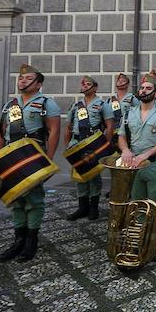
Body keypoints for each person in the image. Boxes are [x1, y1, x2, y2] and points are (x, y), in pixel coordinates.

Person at [0, 64, 61, 262]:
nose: (22, 80)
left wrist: (49, 157)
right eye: (21, 78)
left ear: (38, 83)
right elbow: (1, 132)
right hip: (10, 156)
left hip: (33, 156)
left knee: (33, 199)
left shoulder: (46, 103)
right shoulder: (9, 105)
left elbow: (54, 131)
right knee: (16, 198)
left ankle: (31, 241)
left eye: (28, 78)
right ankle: (18, 240)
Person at [118, 71, 156, 262]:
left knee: (155, 205)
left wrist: (146, 154)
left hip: (155, 165)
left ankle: (154, 242)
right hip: (134, 167)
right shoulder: (129, 113)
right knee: (137, 205)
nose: (144, 90)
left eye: (148, 88)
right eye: (142, 88)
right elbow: (122, 136)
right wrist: (125, 150)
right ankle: (139, 240)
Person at [64, 75, 114, 221]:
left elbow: (110, 125)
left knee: (93, 176)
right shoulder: (75, 106)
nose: (85, 86)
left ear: (95, 87)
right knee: (79, 175)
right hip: (77, 143)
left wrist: (105, 145)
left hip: (93, 145)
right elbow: (68, 127)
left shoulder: (103, 105)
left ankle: (94, 208)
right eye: (83, 84)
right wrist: (67, 146)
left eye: (88, 84)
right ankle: (82, 207)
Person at [109, 72, 137, 148]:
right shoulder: (110, 99)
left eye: (123, 81)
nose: (120, 82)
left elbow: (138, 114)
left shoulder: (132, 98)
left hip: (127, 130)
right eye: (119, 80)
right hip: (113, 131)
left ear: (127, 84)